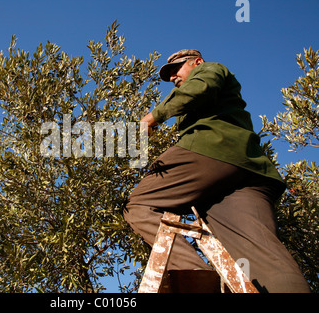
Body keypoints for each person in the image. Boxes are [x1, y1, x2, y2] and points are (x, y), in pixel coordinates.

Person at [123, 49, 311, 293]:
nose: (172, 77)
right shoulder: (212, 97)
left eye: (176, 69)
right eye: (168, 74)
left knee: (137, 205)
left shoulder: (210, 70)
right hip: (247, 173)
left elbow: (199, 88)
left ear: (197, 62)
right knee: (261, 257)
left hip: (212, 149)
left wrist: (151, 118)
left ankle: (198, 280)